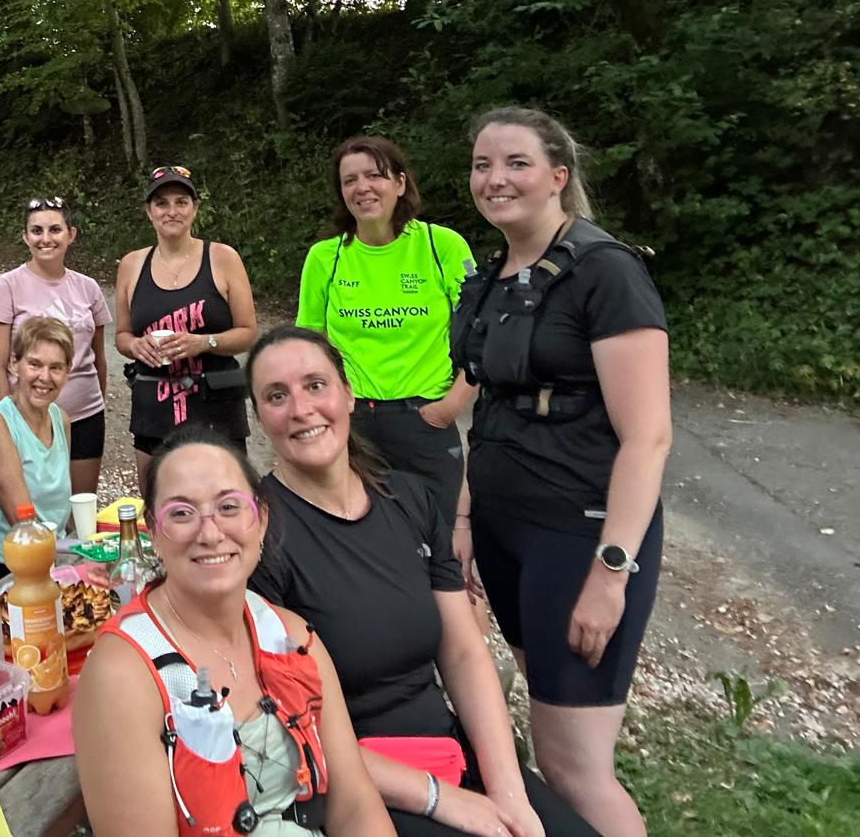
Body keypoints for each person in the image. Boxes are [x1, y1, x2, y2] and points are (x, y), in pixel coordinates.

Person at [246, 327, 598, 837]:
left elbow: (463, 653)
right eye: (277, 396)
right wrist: (440, 800)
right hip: (350, 784)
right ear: (259, 417)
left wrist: (508, 793)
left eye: (315, 385)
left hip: (445, 751)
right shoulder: (256, 536)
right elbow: (282, 726)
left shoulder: (409, 499)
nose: (301, 408)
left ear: (349, 394)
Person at [449, 108, 671, 837]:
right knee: (549, 730)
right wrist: (465, 519)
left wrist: (612, 573)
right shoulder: (495, 276)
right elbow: (493, 411)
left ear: (557, 176)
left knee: (576, 766)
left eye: (516, 162)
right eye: (483, 164)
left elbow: (648, 437)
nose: (495, 178)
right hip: (507, 532)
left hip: (579, 535)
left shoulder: (606, 273)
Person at [75, 429, 395, 837]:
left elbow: (354, 806)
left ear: (261, 519)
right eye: (181, 513)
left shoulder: (290, 636)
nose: (210, 534)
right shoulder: (123, 675)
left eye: (228, 507)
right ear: (152, 531)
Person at [296, 136, 477, 526]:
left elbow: (484, 333)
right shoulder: (324, 257)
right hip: (354, 421)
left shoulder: (441, 246)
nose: (362, 187)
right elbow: (308, 348)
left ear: (399, 182)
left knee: (437, 537)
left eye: (374, 175)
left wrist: (450, 407)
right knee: (361, 537)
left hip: (426, 418)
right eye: (350, 180)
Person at [115, 165, 258, 485]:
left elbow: (248, 332)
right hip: (154, 404)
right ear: (149, 212)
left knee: (226, 495)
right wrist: (135, 346)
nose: (172, 211)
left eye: (181, 202)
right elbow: (122, 336)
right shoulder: (132, 264)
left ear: (195, 209)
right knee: (159, 500)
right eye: (161, 203)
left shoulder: (222, 258)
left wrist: (204, 342)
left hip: (215, 404)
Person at [0, 196, 111, 496]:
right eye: (36, 231)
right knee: (35, 506)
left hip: (85, 417)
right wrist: (7, 423)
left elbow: (99, 358)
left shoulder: (88, 287)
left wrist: (98, 404)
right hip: (29, 419)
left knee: (80, 507)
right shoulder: (6, 286)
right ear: (25, 236)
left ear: (71, 234)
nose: (46, 239)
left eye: (55, 229)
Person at [0, 317, 74, 569]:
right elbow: (22, 521)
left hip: (53, 552)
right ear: (14, 364)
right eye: (34, 364)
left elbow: (61, 506)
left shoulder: (60, 419)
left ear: (67, 372)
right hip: (9, 561)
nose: (44, 377)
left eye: (56, 367)